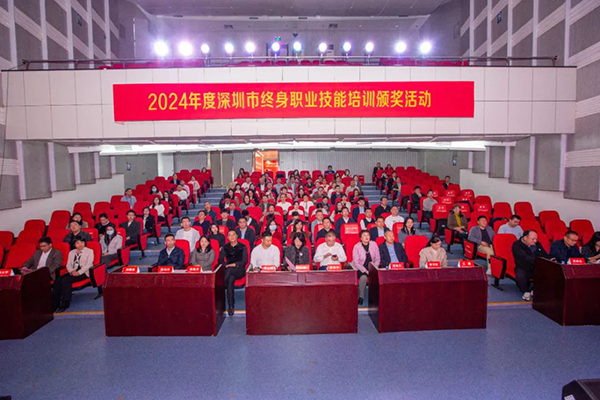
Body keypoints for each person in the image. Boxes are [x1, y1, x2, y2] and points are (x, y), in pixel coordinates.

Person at [52, 237, 94, 312]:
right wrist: (72, 271)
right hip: (73, 271)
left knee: (66, 280)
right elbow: (68, 264)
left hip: (84, 272)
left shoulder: (90, 251)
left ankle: (65, 302)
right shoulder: (71, 252)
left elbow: (89, 264)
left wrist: (79, 272)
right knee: (58, 280)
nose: (80, 244)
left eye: (82, 242)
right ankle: (55, 302)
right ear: (74, 244)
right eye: (77, 243)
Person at [512, 230, 550, 301]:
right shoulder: (517, 245)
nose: (535, 241)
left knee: (548, 272)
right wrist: (539, 260)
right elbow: (525, 258)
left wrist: (550, 259)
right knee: (520, 275)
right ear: (525, 238)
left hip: (536, 265)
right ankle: (526, 291)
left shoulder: (537, 244)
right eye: (532, 239)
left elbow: (544, 254)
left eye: (536, 239)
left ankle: (535, 289)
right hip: (522, 266)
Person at [219, 230, 248, 315]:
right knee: (230, 280)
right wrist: (226, 265)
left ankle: (220, 287)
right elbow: (220, 260)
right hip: (229, 271)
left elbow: (244, 261)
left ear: (237, 236)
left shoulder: (243, 246)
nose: (232, 237)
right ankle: (231, 306)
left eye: (233, 235)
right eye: (230, 235)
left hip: (239, 270)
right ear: (227, 237)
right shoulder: (225, 247)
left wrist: (233, 265)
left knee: (229, 271)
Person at [352, 230, 381, 305]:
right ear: (361, 238)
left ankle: (377, 296)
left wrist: (374, 268)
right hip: (360, 267)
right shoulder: (356, 247)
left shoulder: (374, 244)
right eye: (364, 235)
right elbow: (356, 262)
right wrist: (366, 271)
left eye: (368, 235)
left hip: (372, 266)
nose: (366, 237)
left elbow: (378, 258)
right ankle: (361, 296)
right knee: (364, 277)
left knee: (379, 277)